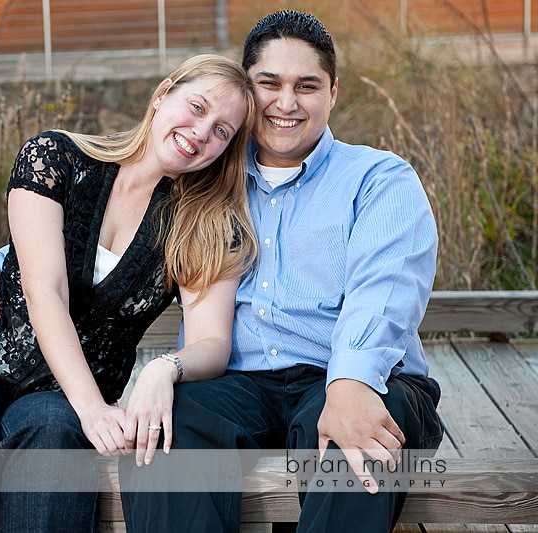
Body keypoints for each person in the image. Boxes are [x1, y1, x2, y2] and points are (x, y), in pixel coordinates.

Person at [0, 53, 258, 533]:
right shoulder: (54, 159)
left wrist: (165, 369)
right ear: (163, 93)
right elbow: (45, 290)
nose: (202, 132)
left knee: (53, 439)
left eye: (223, 131)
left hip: (60, 398)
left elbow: (212, 343)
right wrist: (93, 408)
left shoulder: (201, 227)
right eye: (196, 106)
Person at [114, 10, 443, 533]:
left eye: (306, 86)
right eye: (269, 84)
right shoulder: (206, 173)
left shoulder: (378, 178)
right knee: (167, 431)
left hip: (355, 375)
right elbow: (105, 225)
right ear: (247, 91)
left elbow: (387, 289)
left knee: (353, 436)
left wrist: (351, 382)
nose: (286, 103)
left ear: (332, 92)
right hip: (239, 386)